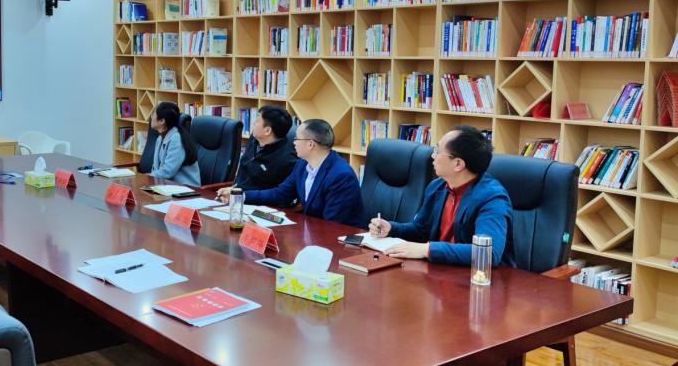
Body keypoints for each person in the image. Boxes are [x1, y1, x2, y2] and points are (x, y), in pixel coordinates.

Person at [368, 125, 513, 266]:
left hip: (479, 277)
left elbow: (487, 253)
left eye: (437, 150)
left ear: (458, 164)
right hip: (441, 270)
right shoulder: (437, 187)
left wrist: (427, 250)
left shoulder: (492, 198)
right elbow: (420, 230)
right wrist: (391, 229)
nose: (433, 156)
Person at [218, 119, 364, 226]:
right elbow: (281, 194)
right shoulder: (302, 165)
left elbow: (332, 225)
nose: (293, 143)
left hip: (341, 243)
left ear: (310, 144)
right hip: (314, 233)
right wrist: (241, 195)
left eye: (296, 139)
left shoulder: (340, 176)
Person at [232, 106, 298, 191]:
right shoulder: (254, 139)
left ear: (267, 131)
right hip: (236, 193)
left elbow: (278, 194)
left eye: (257, 120)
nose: (253, 123)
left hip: (253, 198)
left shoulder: (287, 160)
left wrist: (240, 193)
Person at [149, 102, 201, 186]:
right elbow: (156, 167)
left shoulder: (176, 139)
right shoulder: (160, 138)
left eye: (153, 114)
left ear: (162, 121)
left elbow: (168, 171)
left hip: (186, 188)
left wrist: (147, 178)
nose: (151, 117)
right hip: (167, 185)